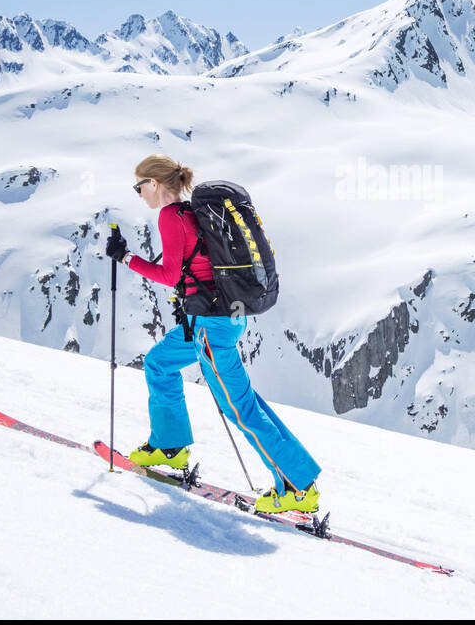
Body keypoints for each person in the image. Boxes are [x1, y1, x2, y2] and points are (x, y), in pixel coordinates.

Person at [104, 154, 322, 514]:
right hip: (214, 319)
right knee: (159, 364)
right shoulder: (190, 212)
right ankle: (170, 446)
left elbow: (171, 276)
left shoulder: (171, 216)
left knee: (241, 408)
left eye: (140, 185)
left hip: (213, 326)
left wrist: (126, 258)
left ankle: (298, 488)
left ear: (155, 184)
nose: (139, 193)